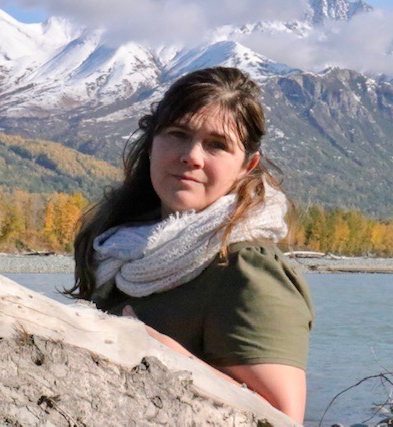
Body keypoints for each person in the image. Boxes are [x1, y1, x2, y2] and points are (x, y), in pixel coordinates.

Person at [69, 66, 314, 423]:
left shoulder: (246, 268)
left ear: (248, 165)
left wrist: (157, 352)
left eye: (217, 145)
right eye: (178, 134)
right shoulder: (115, 251)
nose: (192, 156)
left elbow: (282, 418)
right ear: (151, 144)